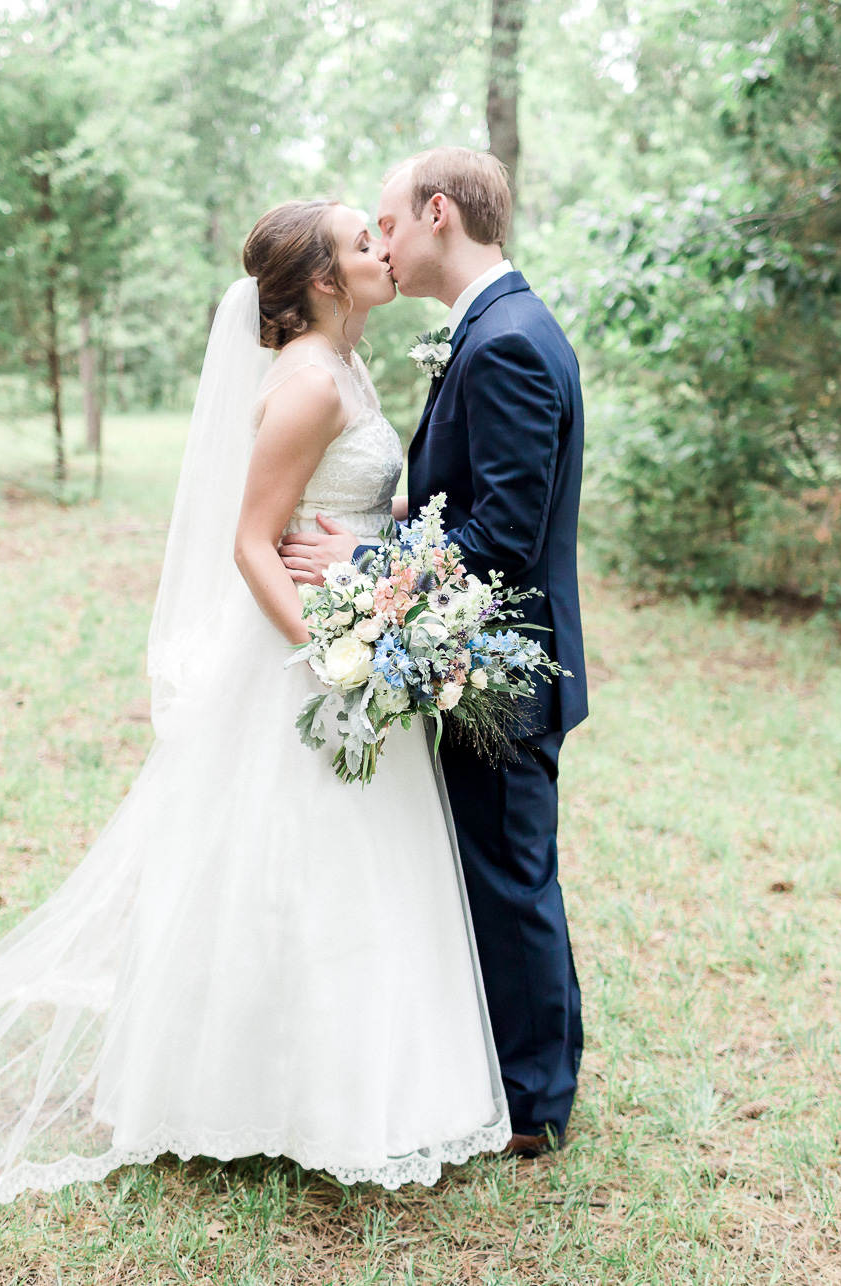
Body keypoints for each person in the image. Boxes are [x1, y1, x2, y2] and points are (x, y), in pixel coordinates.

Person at [0, 200, 510, 1219]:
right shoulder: (303, 384)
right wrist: (330, 659)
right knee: (281, 861)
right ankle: (246, 1095)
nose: (385, 249)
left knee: (353, 870)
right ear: (327, 282)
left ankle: (358, 1091)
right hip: (306, 653)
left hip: (350, 627)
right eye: (362, 242)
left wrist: (384, 568)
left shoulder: (347, 363)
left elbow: (343, 503)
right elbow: (251, 541)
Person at [279, 148, 588, 1156]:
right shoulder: (493, 330)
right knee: (492, 868)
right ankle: (504, 1070)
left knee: (508, 873)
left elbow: (501, 536)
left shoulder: (503, 342)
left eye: (390, 221)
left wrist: (365, 553)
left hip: (499, 663)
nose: (383, 242)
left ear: (440, 214)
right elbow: (468, 497)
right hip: (471, 654)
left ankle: (536, 1100)